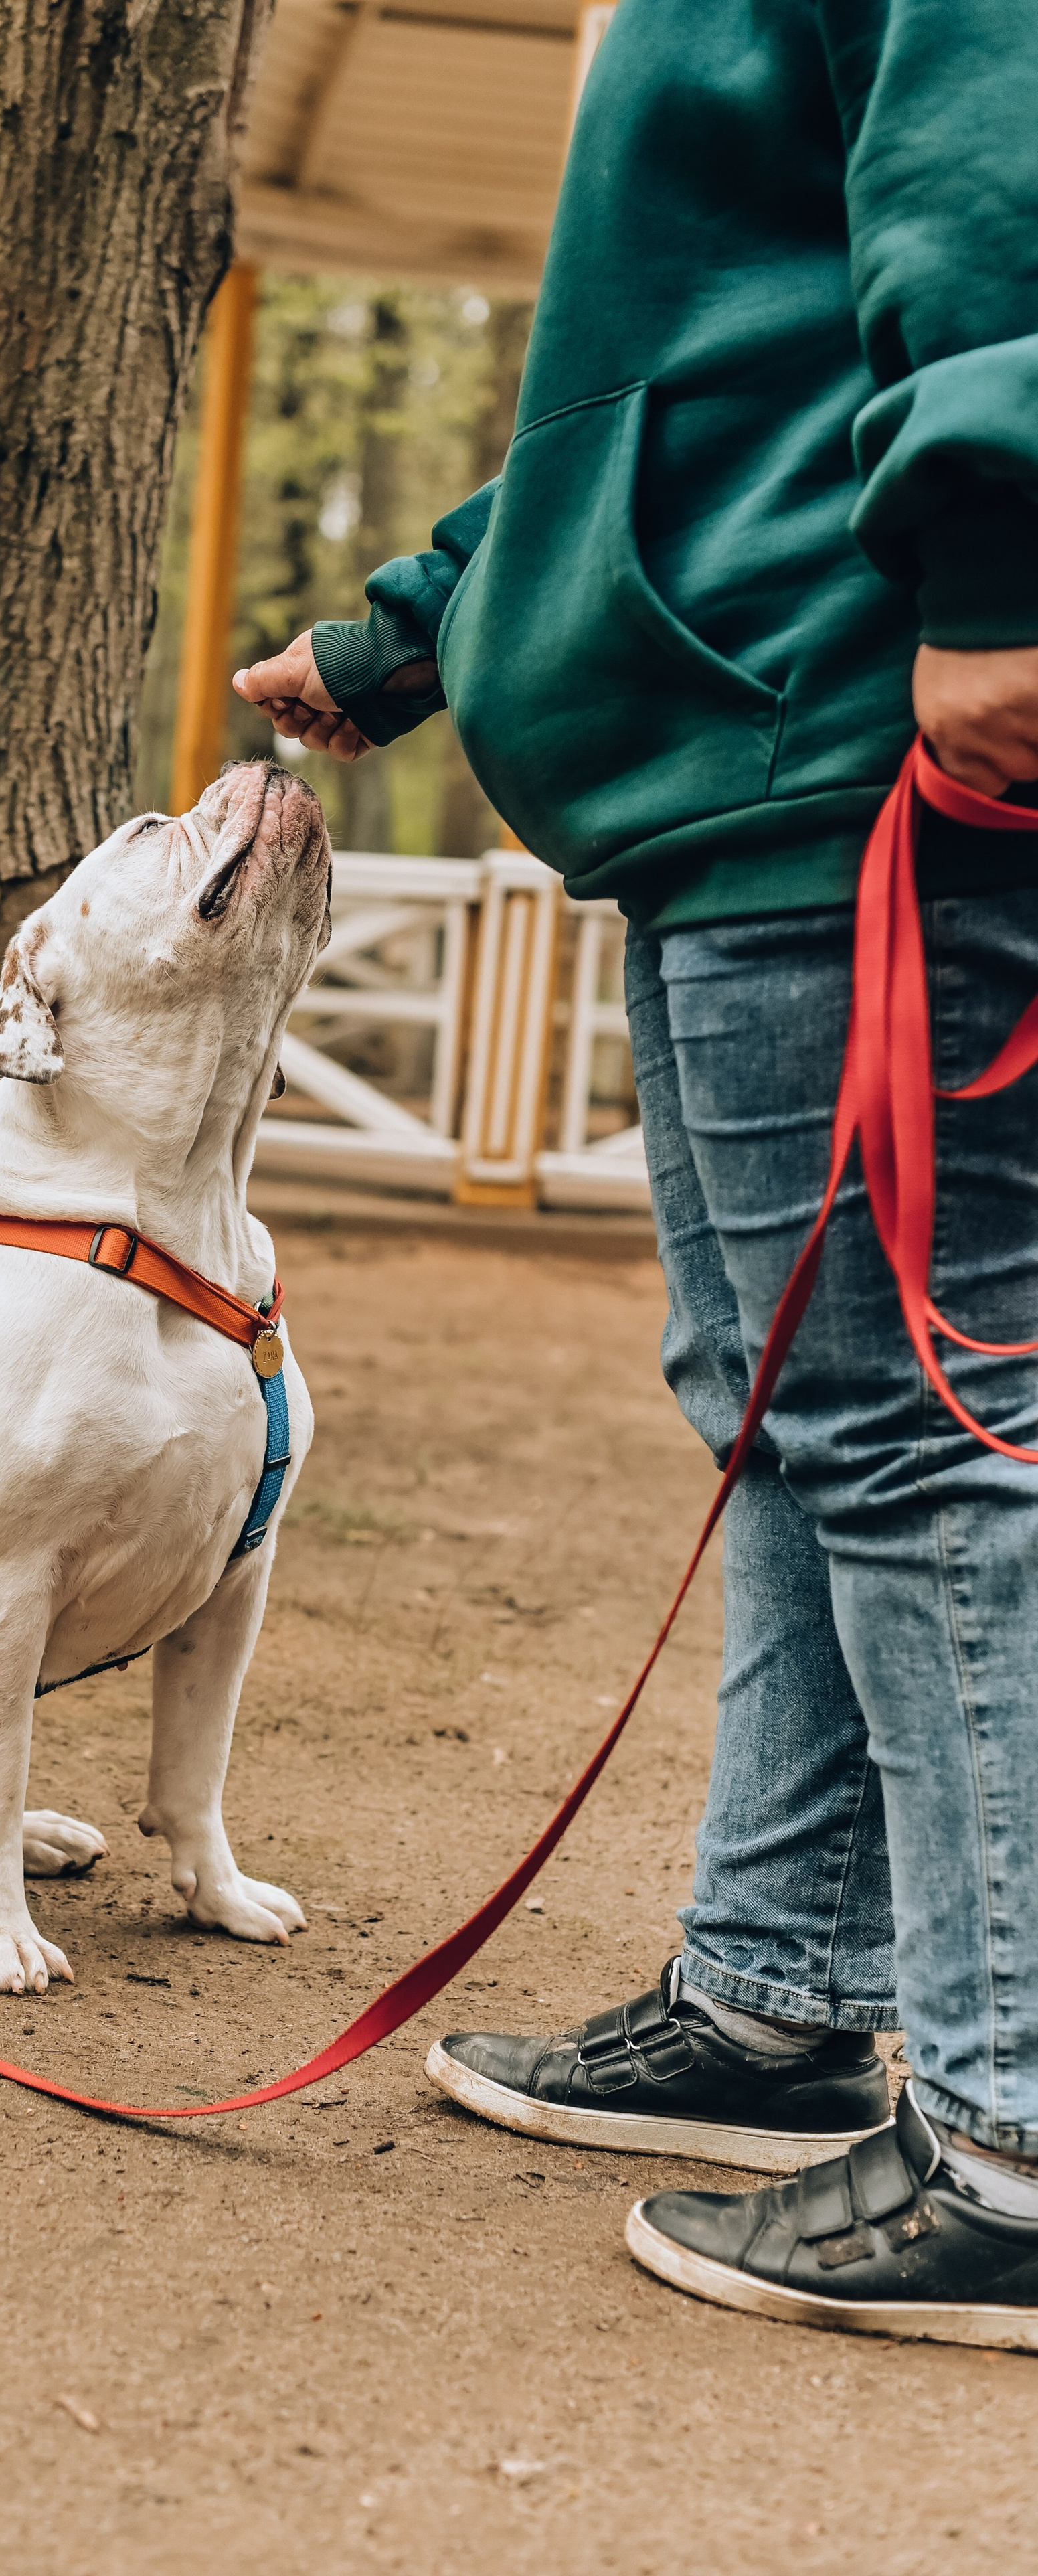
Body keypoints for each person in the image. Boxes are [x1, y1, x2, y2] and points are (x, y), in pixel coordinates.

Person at [234, 0, 1038, 2345]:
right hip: (736, 752)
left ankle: (1007, 2138)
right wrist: (414, 629)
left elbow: (998, 164)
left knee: (928, 1416)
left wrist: (997, 546)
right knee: (797, 1407)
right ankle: (787, 2007)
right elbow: (702, 370)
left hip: (855, 738)